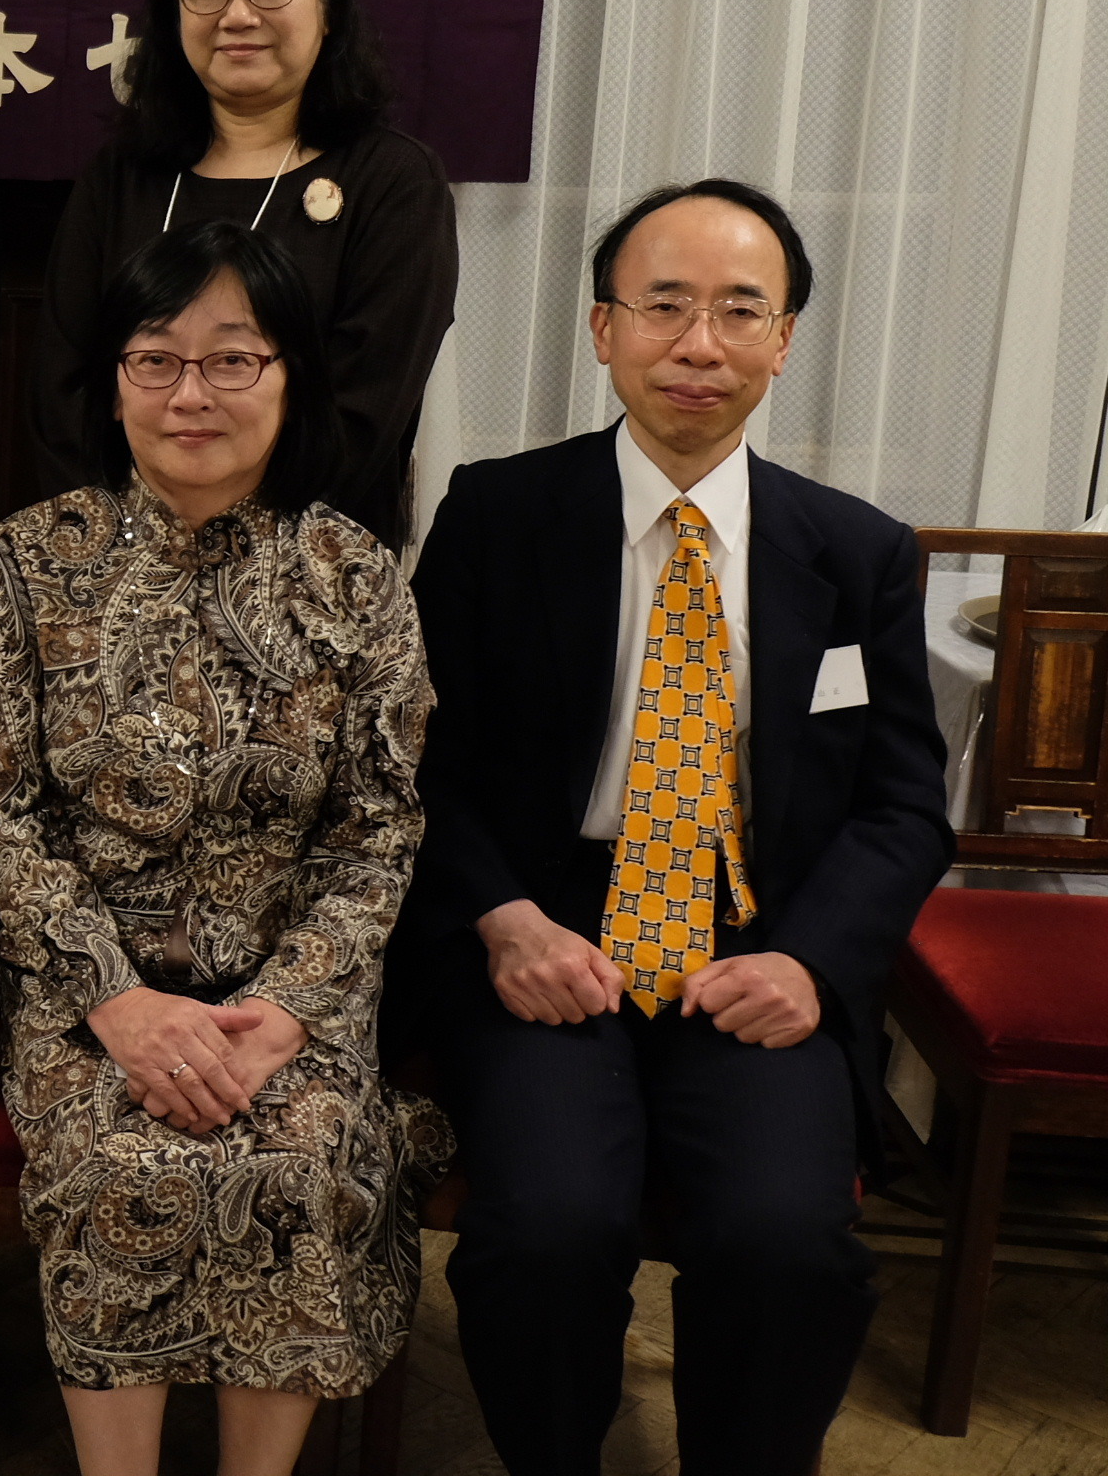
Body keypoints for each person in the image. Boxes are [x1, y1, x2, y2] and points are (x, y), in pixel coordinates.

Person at [406, 180, 952, 1475]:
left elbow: (902, 804)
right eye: (664, 306)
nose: (699, 343)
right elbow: (417, 766)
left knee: (785, 1241)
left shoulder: (859, 553)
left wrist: (809, 961)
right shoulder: (497, 515)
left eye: (739, 310)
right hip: (548, 935)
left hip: (755, 943)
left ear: (785, 339)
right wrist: (502, 918)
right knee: (544, 1230)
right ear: (604, 328)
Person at [0, 220, 447, 1476]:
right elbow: (1, 812)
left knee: (293, 1153)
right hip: (86, 985)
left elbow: (379, 827)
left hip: (294, 991)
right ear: (113, 379)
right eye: (156, 358)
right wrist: (116, 1001)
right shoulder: (30, 557)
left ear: (289, 378)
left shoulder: (356, 574)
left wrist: (284, 1010)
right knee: (120, 1162)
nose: (192, 392)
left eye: (233, 358)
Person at [31, 0, 457, 549]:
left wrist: (225, 553)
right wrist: (127, 547)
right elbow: (64, 393)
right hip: (116, 565)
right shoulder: (122, 177)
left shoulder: (393, 182)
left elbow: (365, 414)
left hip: (310, 567)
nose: (237, 14)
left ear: (329, 4)